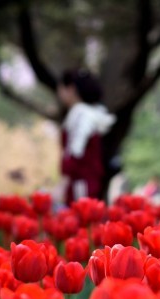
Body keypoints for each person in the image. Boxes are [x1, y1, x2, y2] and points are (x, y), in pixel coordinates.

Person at [57, 69, 116, 204]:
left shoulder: (81, 115)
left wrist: (64, 180)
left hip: (82, 181)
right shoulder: (87, 113)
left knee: (83, 216)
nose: (59, 93)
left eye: (61, 88)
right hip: (84, 179)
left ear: (71, 89)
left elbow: (76, 151)